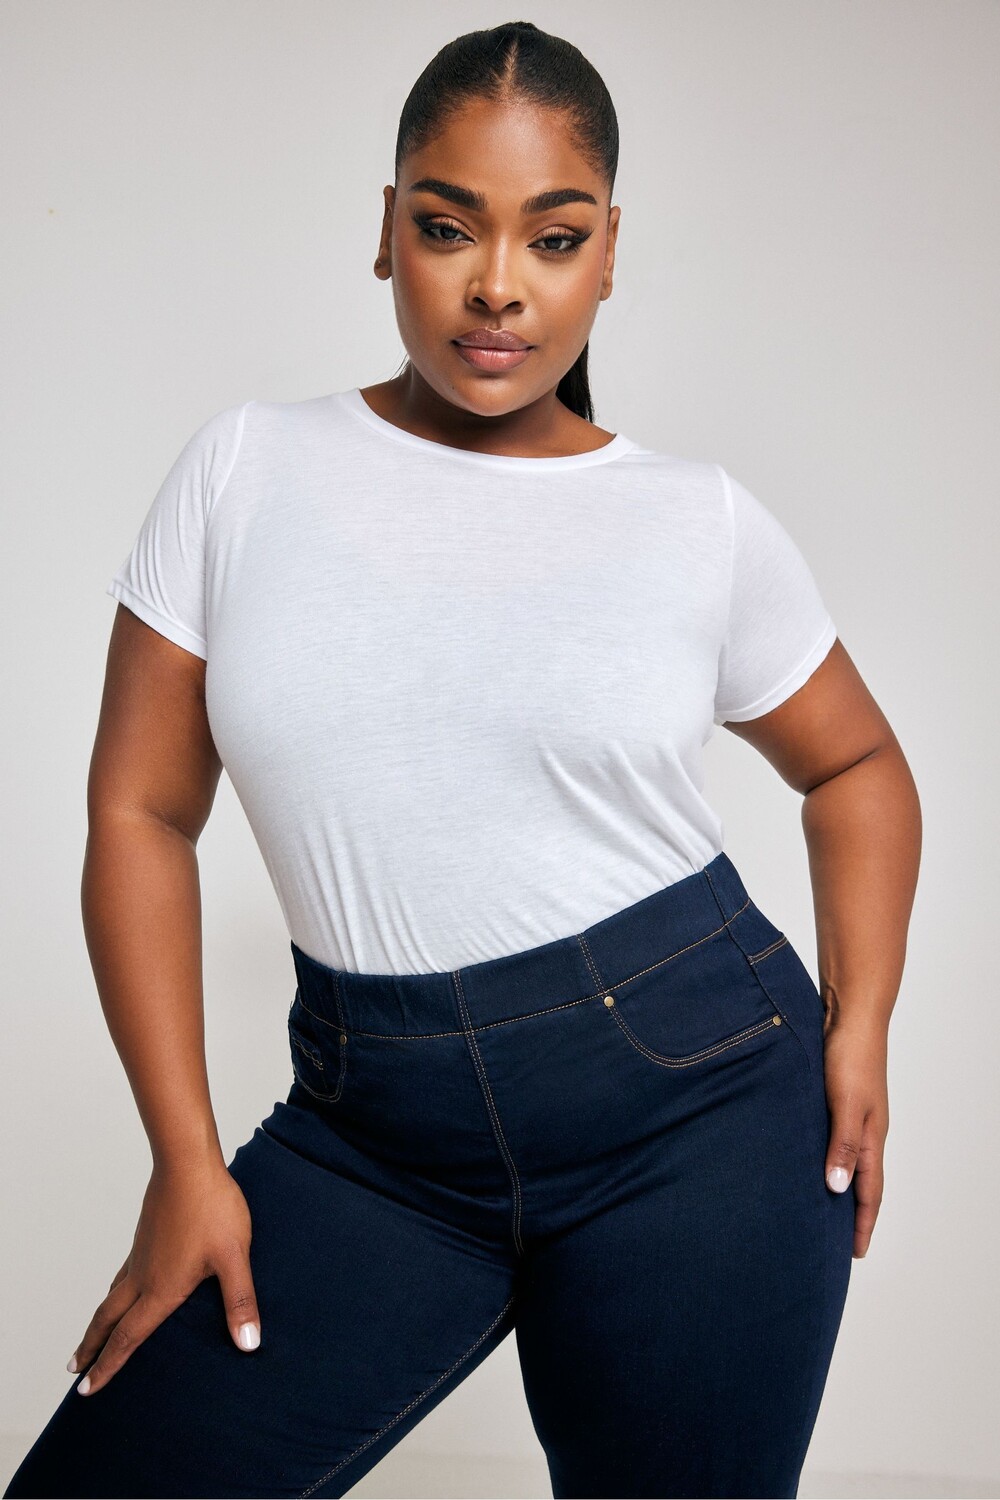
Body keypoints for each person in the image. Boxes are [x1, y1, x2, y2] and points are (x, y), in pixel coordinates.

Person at [4, 19, 921, 1500]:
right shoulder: (246, 469)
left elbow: (859, 764)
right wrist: (186, 1159)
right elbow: (141, 811)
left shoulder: (693, 518)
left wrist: (860, 1025)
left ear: (608, 256)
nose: (499, 285)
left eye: (554, 239)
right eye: (448, 228)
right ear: (386, 232)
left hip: (702, 1111)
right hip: (372, 1136)